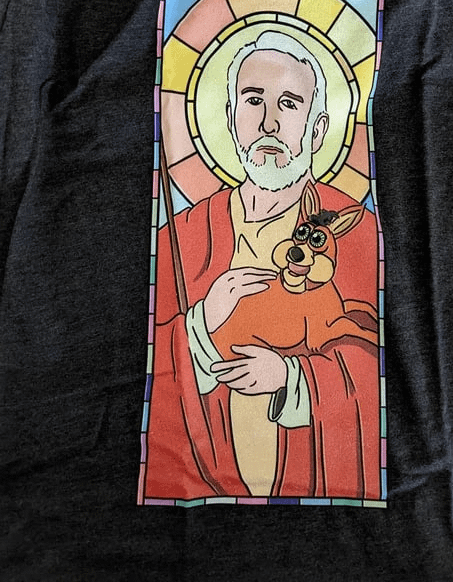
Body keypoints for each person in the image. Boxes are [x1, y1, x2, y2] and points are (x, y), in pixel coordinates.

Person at [145, 31, 381, 500]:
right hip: (201, 474)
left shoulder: (354, 230)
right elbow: (148, 362)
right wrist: (203, 323)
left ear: (317, 129)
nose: (269, 123)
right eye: (254, 101)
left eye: (289, 104)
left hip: (315, 477)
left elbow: (372, 358)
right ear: (231, 119)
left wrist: (289, 378)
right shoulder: (181, 236)